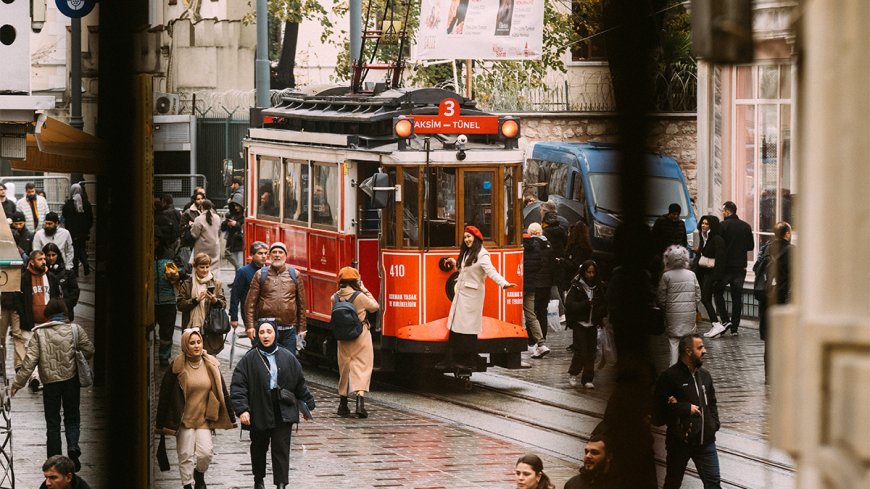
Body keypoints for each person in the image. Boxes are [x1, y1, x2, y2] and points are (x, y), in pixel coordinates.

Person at [230, 320, 316, 489]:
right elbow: (238, 386)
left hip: (282, 408)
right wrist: (242, 410)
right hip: (259, 407)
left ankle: (281, 484)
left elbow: (299, 383)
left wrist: (308, 405)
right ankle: (259, 480)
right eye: (262, 332)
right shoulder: (249, 358)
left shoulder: (287, 357)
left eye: (269, 332)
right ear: (258, 335)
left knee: (281, 448)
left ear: (275, 333)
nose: (266, 336)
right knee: (259, 447)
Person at [11, 300, 93, 471]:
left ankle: (54, 460)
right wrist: (76, 354)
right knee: (72, 417)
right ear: (64, 313)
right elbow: (90, 350)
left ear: (47, 315)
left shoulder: (39, 334)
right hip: (71, 380)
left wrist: (17, 384)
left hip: (50, 383)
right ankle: (72, 447)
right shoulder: (75, 330)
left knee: (53, 422)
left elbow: (29, 362)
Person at [156, 328, 236, 489]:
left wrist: (232, 416)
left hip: (203, 420)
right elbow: (164, 396)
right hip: (183, 420)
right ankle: (187, 485)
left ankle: (199, 473)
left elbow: (223, 392)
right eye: (192, 343)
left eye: (198, 342)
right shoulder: (177, 367)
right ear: (186, 345)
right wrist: (160, 424)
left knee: (205, 453)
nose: (196, 346)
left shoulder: (210, 364)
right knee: (185, 455)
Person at [435, 226, 516, 371]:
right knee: (455, 328)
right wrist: (455, 262)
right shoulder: (467, 253)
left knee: (468, 329)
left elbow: (491, 271)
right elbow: (464, 270)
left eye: (469, 237)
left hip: (472, 297)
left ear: (476, 238)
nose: (466, 239)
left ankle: (467, 361)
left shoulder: (482, 254)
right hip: (462, 295)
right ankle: (451, 359)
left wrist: (504, 283)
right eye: (465, 237)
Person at [654, 334, 722, 489]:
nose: (704, 351)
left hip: (705, 441)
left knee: (713, 483)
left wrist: (714, 424)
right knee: (673, 482)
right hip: (680, 442)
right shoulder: (670, 377)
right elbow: (658, 411)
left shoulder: (704, 375)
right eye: (700, 347)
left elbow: (711, 402)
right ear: (688, 351)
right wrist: (685, 408)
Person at [331, 266, 379, 418]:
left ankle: (343, 404)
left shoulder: (335, 297)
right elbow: (374, 307)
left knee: (345, 366)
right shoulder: (360, 296)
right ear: (356, 280)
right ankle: (360, 403)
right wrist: (365, 289)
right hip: (361, 335)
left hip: (343, 338)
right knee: (363, 366)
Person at [244, 242, 306, 354]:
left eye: (280, 252)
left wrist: (302, 328)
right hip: (267, 328)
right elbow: (250, 304)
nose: (277, 255)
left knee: (288, 362)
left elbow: (301, 304)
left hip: (288, 330)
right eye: (274, 252)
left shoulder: (295, 274)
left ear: (286, 256)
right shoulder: (260, 274)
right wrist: (250, 326)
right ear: (270, 256)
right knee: (266, 360)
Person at [17, 249, 61, 392]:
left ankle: (45, 377)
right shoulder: (24, 278)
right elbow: (18, 300)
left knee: (47, 351)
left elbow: (56, 297)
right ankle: (35, 378)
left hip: (48, 321)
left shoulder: (51, 277)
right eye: (40, 259)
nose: (44, 261)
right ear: (31, 261)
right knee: (31, 351)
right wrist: (24, 317)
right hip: (30, 323)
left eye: (44, 259)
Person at [710, 201, 754, 336]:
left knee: (717, 292)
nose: (722, 214)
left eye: (723, 211)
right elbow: (750, 246)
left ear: (727, 212)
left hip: (725, 267)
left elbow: (716, 246)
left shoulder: (722, 226)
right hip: (740, 267)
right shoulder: (746, 226)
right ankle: (735, 327)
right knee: (737, 297)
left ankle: (725, 320)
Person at [756, 221, 793, 382]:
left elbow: (756, 269)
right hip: (783, 300)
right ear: (787, 234)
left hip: (766, 301)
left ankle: (769, 375)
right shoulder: (791, 251)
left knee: (770, 340)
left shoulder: (766, 248)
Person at [565, 260, 607, 388]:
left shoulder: (598, 287)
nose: (591, 275)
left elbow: (603, 304)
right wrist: (586, 304)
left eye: (593, 272)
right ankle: (573, 373)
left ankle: (588, 379)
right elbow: (570, 305)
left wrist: (600, 315)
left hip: (592, 323)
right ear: (583, 272)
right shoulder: (576, 286)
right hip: (580, 323)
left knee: (591, 352)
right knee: (581, 351)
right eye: (588, 272)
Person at [176, 252, 227, 355]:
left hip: (210, 328)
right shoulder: (187, 284)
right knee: (192, 359)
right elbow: (180, 305)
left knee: (210, 358)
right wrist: (195, 300)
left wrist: (214, 300)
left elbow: (223, 305)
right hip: (192, 328)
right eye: (202, 267)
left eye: (207, 267)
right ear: (195, 267)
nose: (205, 270)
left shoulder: (216, 283)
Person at [657, 245, 701, 365]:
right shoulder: (691, 275)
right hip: (689, 316)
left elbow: (661, 297)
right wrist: (692, 306)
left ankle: (674, 367)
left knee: (673, 342)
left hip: (672, 315)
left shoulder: (666, 276)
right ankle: (688, 366)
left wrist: (666, 308)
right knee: (688, 342)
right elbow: (698, 295)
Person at [523, 223, 552, 359]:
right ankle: (541, 343)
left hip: (520, 284)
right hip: (535, 284)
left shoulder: (522, 248)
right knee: (533, 314)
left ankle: (527, 343)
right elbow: (540, 264)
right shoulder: (541, 246)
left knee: (522, 314)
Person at [693, 215, 726, 336]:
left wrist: (716, 278)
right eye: (702, 223)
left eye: (706, 224)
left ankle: (716, 324)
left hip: (712, 274)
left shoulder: (717, 239)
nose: (703, 225)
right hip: (705, 272)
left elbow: (721, 260)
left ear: (711, 226)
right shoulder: (704, 237)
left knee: (705, 298)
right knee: (704, 298)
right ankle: (715, 324)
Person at [229, 241, 269, 332]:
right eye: (260, 253)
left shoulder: (269, 270)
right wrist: (234, 317)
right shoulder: (243, 272)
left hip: (267, 313)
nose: (263, 256)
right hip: (250, 313)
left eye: (265, 253)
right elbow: (235, 295)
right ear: (252, 255)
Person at [156, 242, 181, 366]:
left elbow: (183, 270)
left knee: (167, 332)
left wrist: (177, 274)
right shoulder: (143, 253)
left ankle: (164, 357)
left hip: (168, 301)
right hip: (150, 301)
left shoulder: (169, 255)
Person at [60, 183, 93, 276]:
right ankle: (85, 263)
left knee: (74, 250)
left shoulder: (69, 204)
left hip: (72, 232)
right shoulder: (86, 203)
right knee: (82, 249)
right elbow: (90, 218)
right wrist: (87, 230)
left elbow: (65, 215)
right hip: (83, 232)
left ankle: (75, 271)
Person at [43, 243, 80, 322]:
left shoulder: (68, 273)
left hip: (65, 313)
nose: (51, 258)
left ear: (58, 255)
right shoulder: (42, 273)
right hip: (47, 313)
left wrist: (65, 306)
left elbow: (74, 292)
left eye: (53, 255)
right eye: (48, 255)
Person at [190, 199, 221, 271]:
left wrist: (192, 227)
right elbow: (218, 231)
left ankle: (201, 281)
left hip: (202, 247)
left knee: (201, 266)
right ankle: (213, 281)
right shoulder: (217, 217)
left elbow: (195, 234)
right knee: (214, 267)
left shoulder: (198, 219)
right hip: (215, 246)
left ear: (201, 207)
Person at [221, 194, 245, 271]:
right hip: (233, 242)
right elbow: (222, 227)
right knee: (237, 265)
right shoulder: (232, 215)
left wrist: (236, 224)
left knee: (240, 264)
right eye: (234, 206)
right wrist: (227, 223)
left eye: (237, 206)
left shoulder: (244, 216)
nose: (236, 208)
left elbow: (243, 228)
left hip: (240, 242)